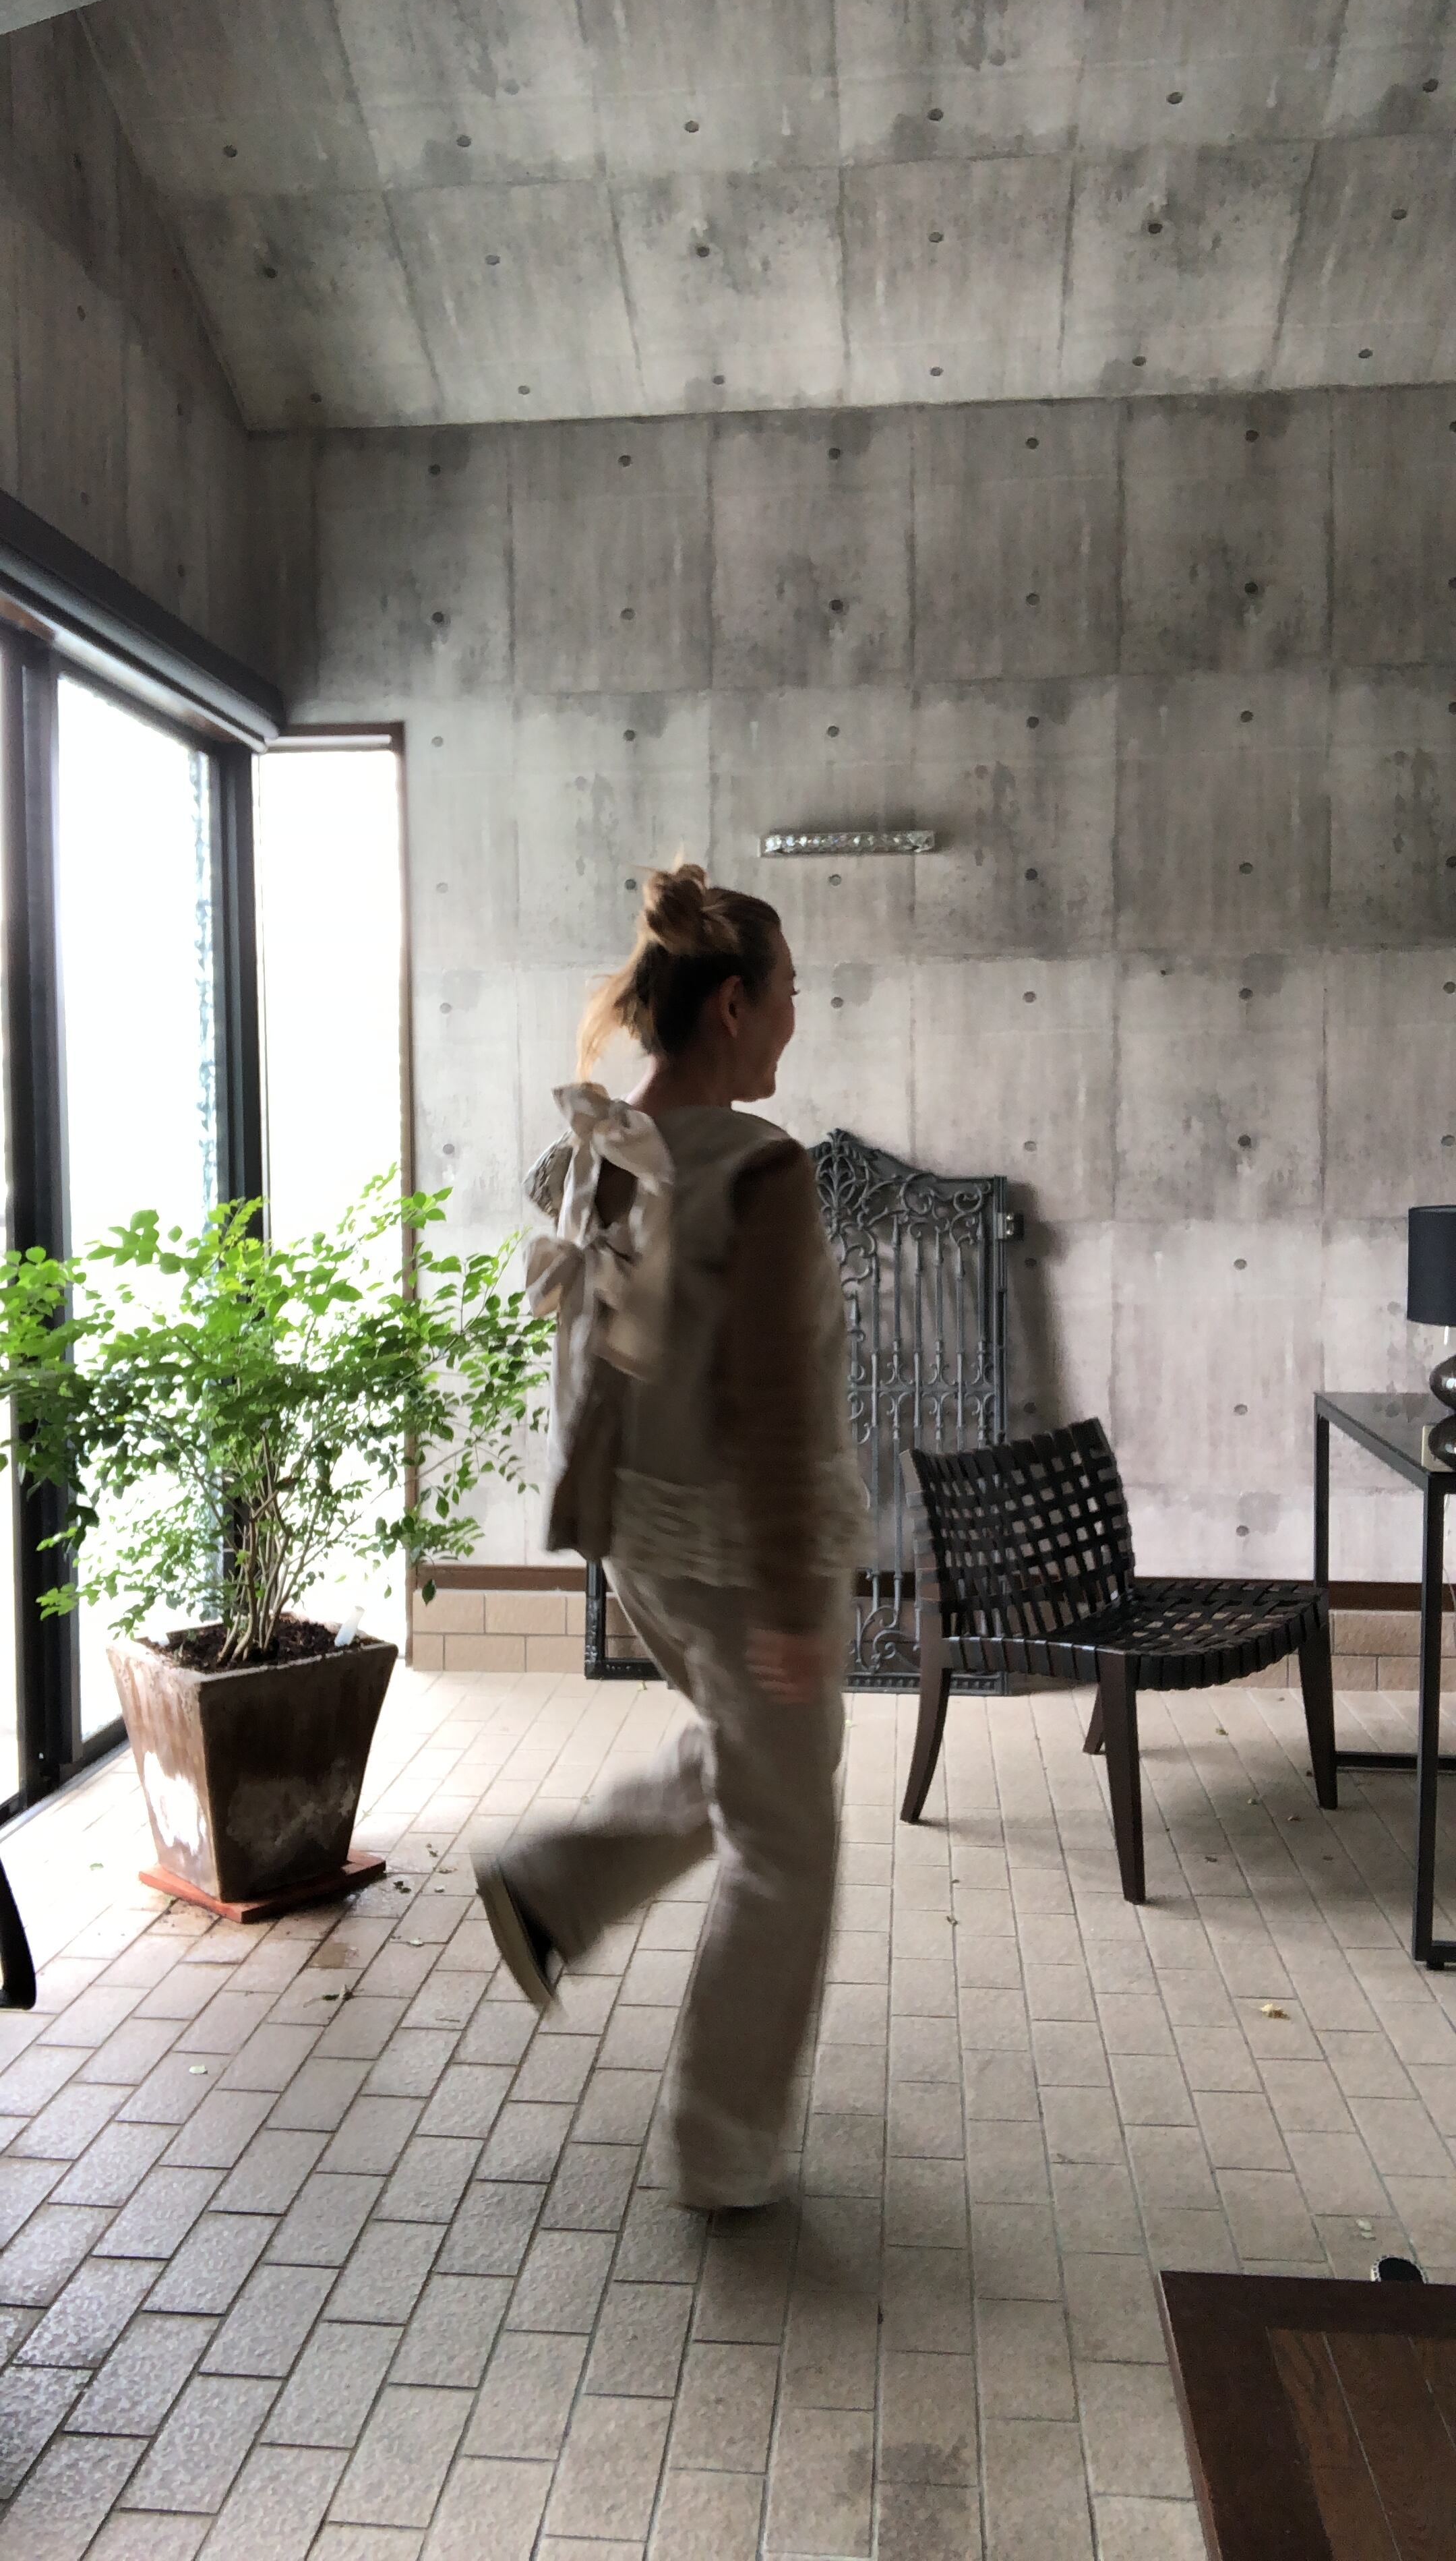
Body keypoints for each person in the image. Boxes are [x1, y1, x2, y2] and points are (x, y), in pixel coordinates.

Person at [473, 862, 865, 2212]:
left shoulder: (603, 1146)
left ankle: (552, 1884)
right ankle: (723, 2143)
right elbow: (776, 1399)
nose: (798, 1017)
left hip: (642, 1541)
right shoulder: (760, 1168)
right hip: (742, 1552)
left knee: (761, 1765)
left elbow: (599, 1370)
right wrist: (797, 1596)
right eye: (792, 992)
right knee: (790, 1843)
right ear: (735, 1005)